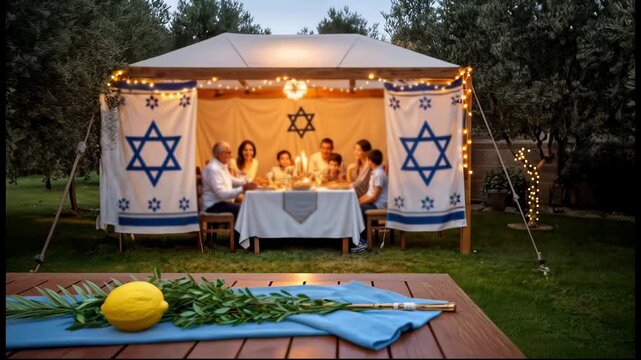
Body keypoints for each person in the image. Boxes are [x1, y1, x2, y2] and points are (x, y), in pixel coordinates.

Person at [201, 141, 257, 221]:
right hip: (212, 206)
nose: (230, 155)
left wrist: (246, 182)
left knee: (246, 206)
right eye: (228, 152)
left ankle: (241, 233)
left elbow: (230, 179)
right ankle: (239, 233)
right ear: (220, 154)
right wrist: (243, 188)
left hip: (221, 203)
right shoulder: (213, 169)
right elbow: (222, 194)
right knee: (243, 208)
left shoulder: (222, 165)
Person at [352, 149, 388, 253]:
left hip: (378, 205)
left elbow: (375, 197)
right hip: (373, 203)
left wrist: (359, 203)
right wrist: (357, 201)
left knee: (359, 210)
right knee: (356, 207)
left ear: (370, 161)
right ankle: (355, 240)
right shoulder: (375, 173)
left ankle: (363, 243)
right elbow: (368, 193)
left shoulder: (379, 174)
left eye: (367, 160)